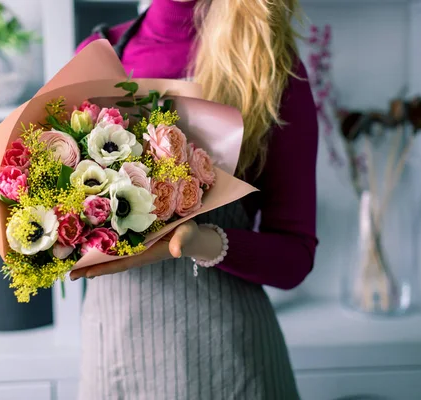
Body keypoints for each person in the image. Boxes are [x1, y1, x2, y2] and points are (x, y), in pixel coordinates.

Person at [70, 0, 318, 398]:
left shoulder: (270, 65)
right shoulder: (96, 55)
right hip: (114, 361)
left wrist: (201, 241)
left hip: (230, 366)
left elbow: (296, 257)